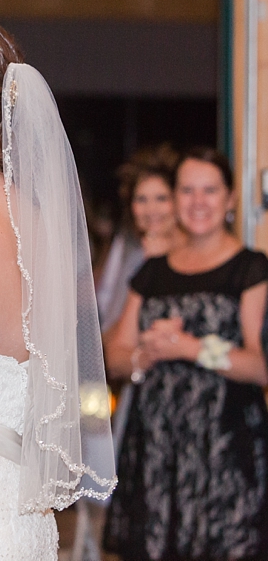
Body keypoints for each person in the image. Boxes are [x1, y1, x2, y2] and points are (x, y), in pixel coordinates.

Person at [103, 147, 268, 560]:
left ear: (229, 199)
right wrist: (146, 352)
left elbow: (260, 366)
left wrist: (193, 348)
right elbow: (116, 357)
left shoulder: (250, 268)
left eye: (209, 190)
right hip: (159, 451)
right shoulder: (153, 272)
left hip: (226, 449)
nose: (198, 202)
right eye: (187, 190)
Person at [96, 144, 182, 332]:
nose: (151, 210)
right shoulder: (131, 251)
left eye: (161, 198)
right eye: (141, 199)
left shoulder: (189, 253)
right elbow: (109, 320)